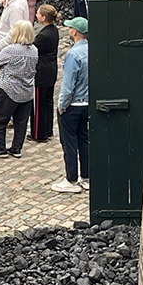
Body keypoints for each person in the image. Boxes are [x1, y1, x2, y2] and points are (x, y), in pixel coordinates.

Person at [0, 20, 38, 158]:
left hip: (8, 88)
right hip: (26, 90)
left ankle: (0, 148)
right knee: (21, 121)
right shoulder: (34, 50)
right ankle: (16, 148)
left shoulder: (11, 49)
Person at [52, 17, 90, 194]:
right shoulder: (91, 50)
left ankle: (71, 179)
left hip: (73, 105)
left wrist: (61, 105)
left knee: (69, 143)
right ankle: (86, 176)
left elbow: (68, 85)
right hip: (87, 103)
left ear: (74, 31)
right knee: (84, 140)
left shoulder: (73, 55)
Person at [30, 4, 60, 143]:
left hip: (41, 72)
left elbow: (33, 49)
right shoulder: (53, 30)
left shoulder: (43, 36)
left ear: (43, 17)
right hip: (51, 69)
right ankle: (48, 130)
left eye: (38, 13)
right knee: (48, 101)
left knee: (39, 104)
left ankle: (39, 133)